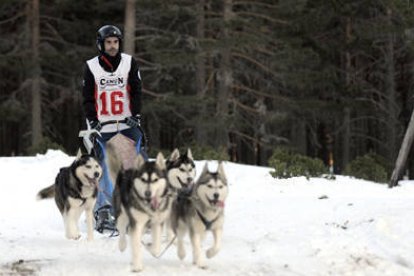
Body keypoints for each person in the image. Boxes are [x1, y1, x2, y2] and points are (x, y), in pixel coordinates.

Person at [81, 25, 147, 233]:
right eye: (108, 42)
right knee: (104, 166)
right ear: (101, 44)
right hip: (103, 124)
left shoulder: (129, 62)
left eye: (115, 42)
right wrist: (93, 121)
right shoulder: (91, 66)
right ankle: (103, 210)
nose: (112, 46)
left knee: (137, 163)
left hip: (126, 122)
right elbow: (88, 98)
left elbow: (136, 91)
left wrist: (135, 115)